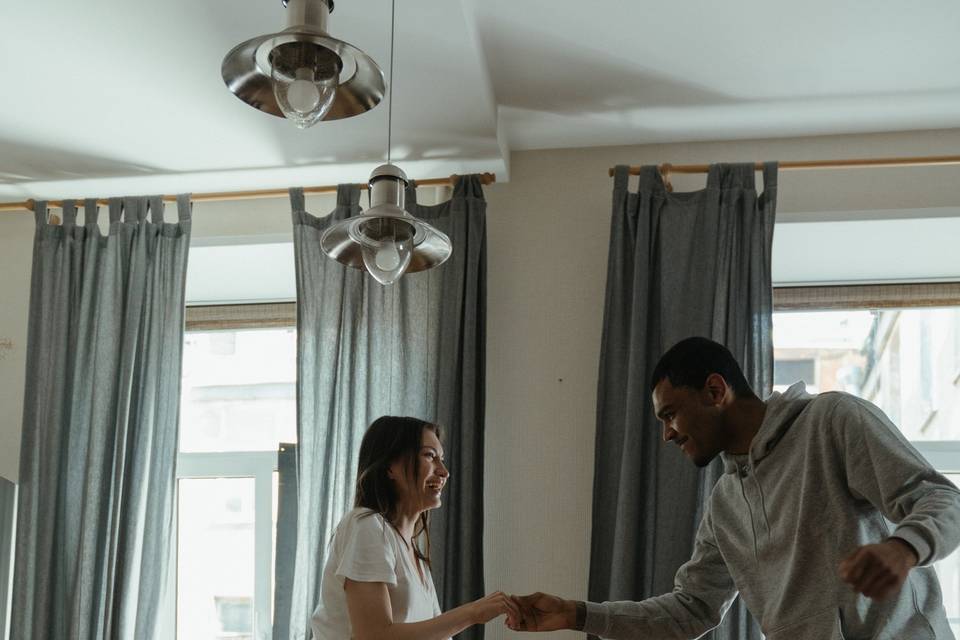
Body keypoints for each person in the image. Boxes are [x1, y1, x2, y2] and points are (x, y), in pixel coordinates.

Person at [509, 337, 960, 639]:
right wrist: (579, 614)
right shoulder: (725, 505)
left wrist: (904, 547)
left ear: (714, 390)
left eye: (670, 414)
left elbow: (942, 499)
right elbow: (691, 609)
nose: (667, 433)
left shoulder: (833, 421)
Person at [312, 415, 518, 640]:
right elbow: (372, 635)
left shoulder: (413, 552)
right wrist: (473, 613)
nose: (444, 471)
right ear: (390, 466)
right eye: (430, 456)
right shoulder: (367, 526)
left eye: (441, 458)